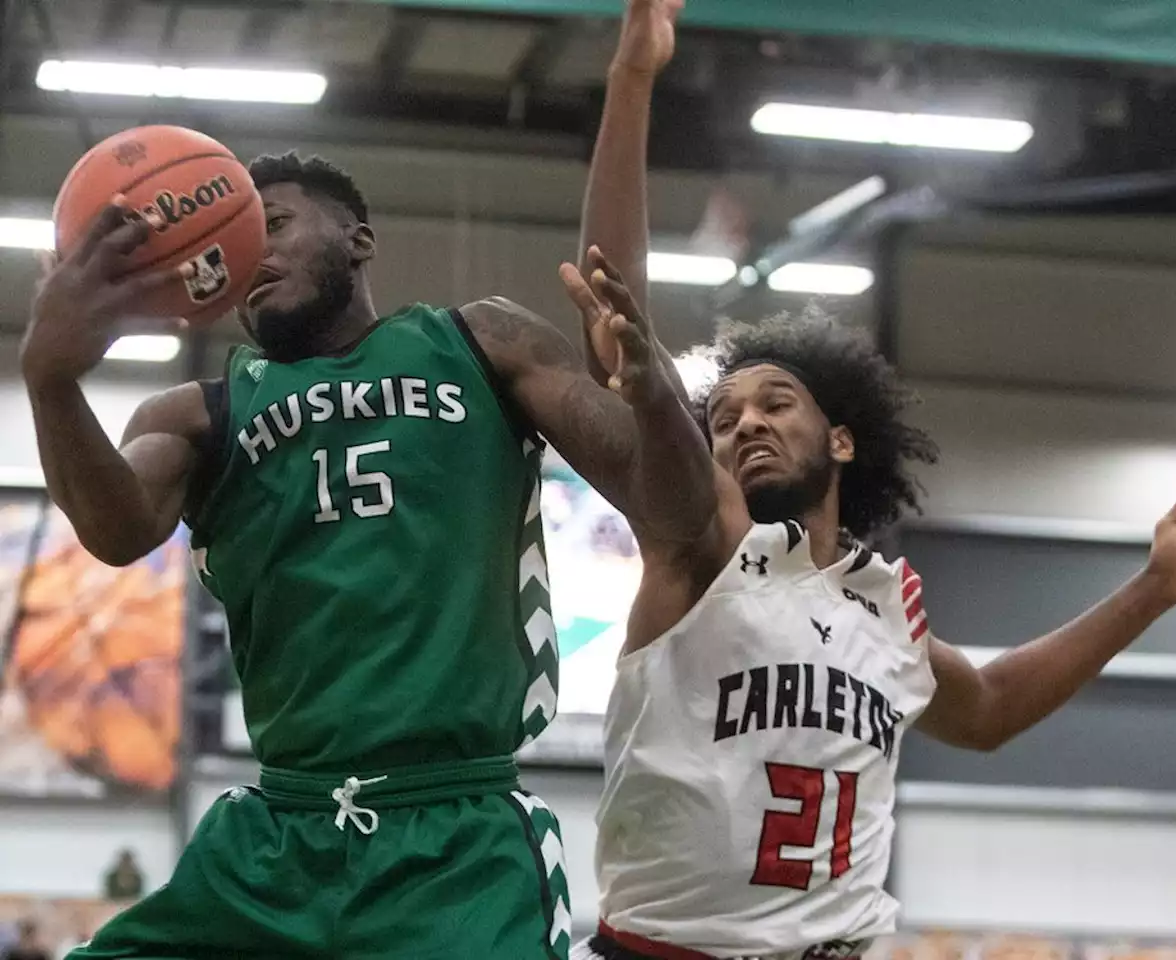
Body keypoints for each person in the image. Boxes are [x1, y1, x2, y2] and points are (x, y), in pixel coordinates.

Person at [564, 4, 1176, 959]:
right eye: (724, 417)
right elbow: (620, 334)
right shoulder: (695, 548)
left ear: (845, 442)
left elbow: (986, 710)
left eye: (776, 403)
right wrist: (633, 77)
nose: (745, 424)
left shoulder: (879, 610)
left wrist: (1150, 588)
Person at [21, 147, 689, 959]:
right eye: (229, 246)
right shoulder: (196, 414)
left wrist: (654, 395)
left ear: (358, 240)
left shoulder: (482, 341)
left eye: (272, 225)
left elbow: (671, 506)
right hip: (271, 842)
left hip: (453, 838)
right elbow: (116, 529)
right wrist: (51, 381)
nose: (250, 255)